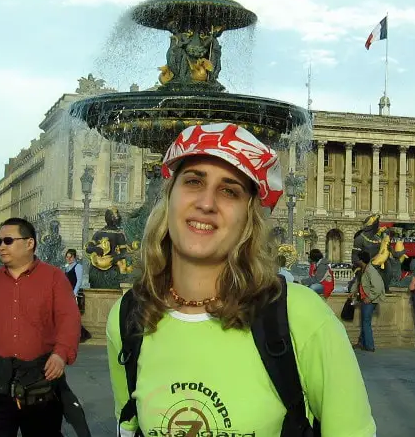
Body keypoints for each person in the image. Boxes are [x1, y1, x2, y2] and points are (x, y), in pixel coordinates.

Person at [106, 122, 376, 436]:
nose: (206, 203)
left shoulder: (299, 316)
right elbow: (128, 425)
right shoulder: (128, 317)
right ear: (169, 197)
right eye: (194, 181)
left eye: (229, 191)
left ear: (249, 217)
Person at [0, 217, 87, 437]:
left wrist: (61, 354)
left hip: (41, 383)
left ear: (29, 243)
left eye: (8, 240)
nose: (1, 246)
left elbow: (69, 319)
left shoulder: (54, 278)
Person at [352, 249, 385, 352]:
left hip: (369, 300)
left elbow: (378, 286)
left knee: (366, 322)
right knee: (364, 322)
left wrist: (369, 297)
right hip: (365, 298)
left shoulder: (370, 270)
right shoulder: (364, 269)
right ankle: (362, 342)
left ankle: (370, 346)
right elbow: (360, 283)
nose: (356, 261)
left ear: (361, 260)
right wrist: (353, 291)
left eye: (357, 259)